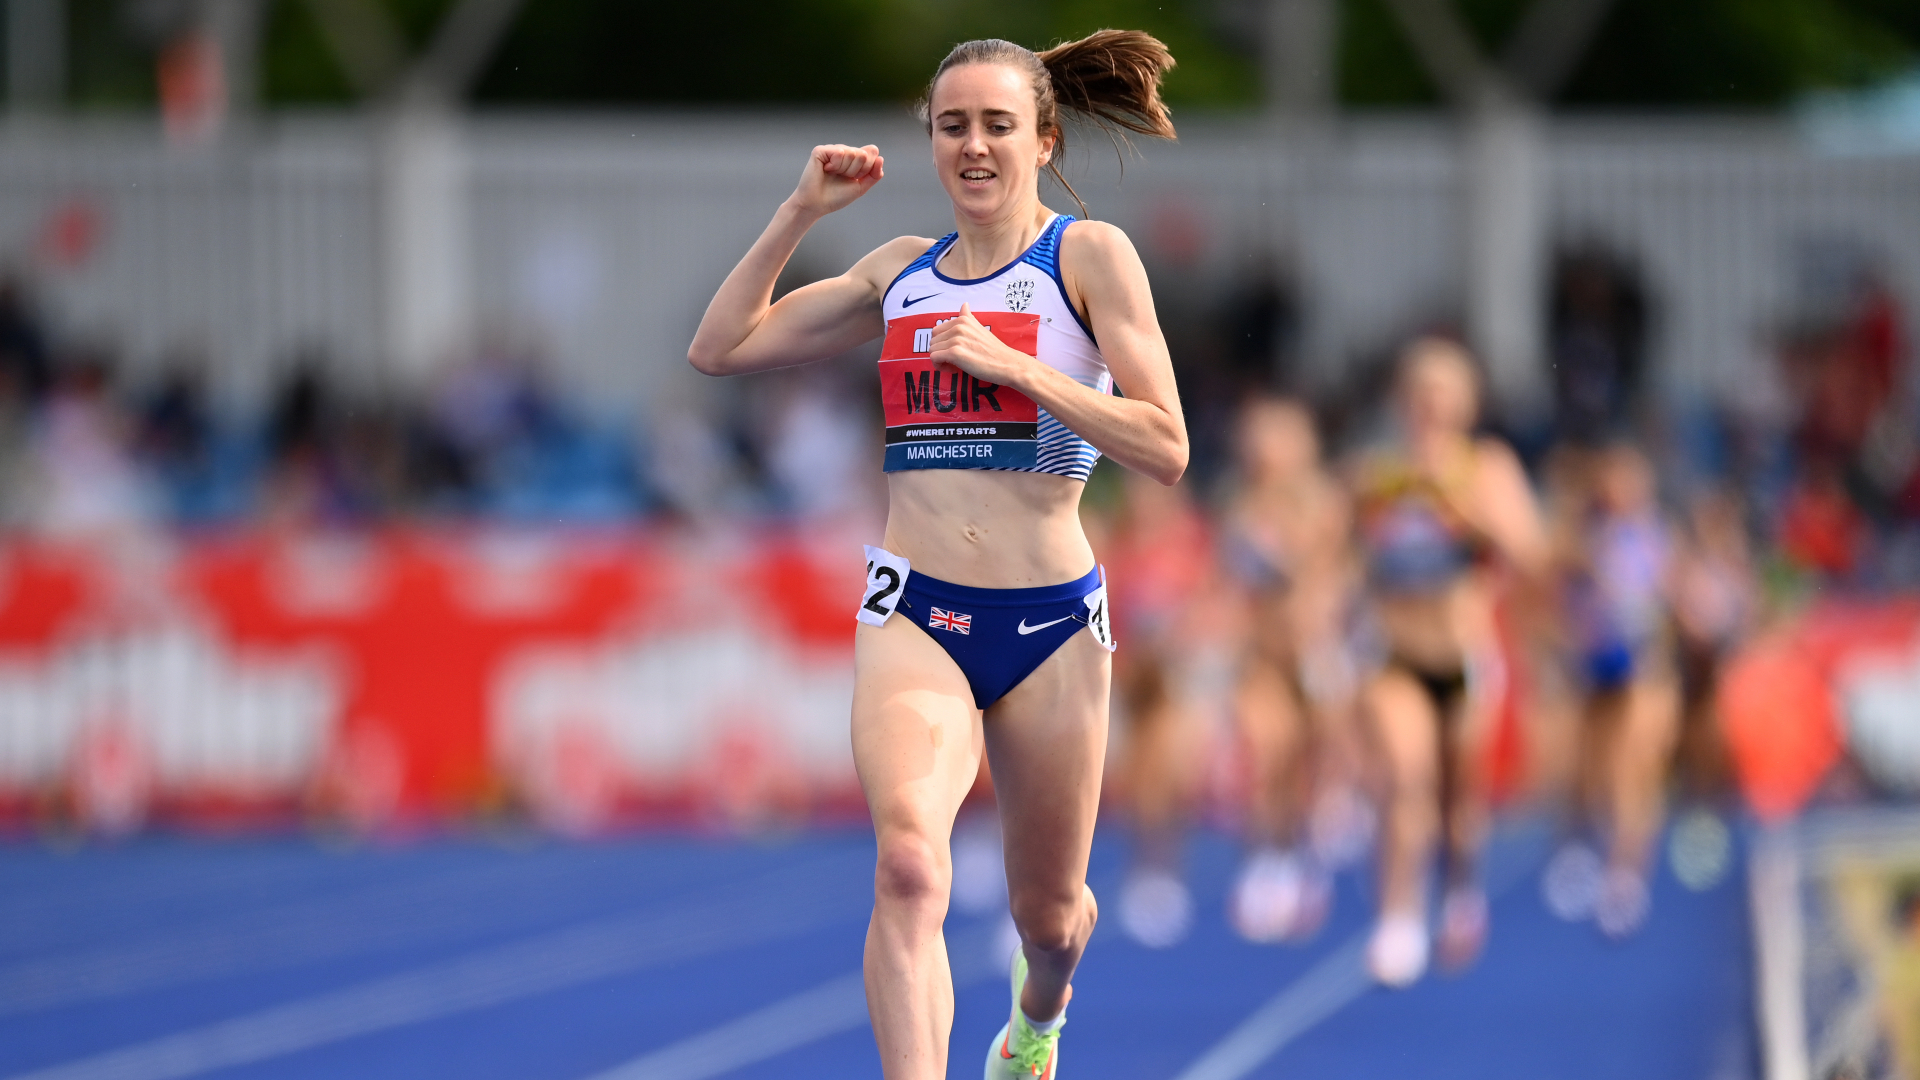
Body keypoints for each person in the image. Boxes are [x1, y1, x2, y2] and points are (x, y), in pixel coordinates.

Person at [687, 31, 1185, 1080]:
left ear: (1042, 139)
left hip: (1049, 626)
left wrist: (1022, 370)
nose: (973, 145)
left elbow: (1167, 445)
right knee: (911, 868)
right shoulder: (899, 272)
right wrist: (801, 213)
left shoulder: (1086, 258)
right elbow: (720, 348)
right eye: (952, 125)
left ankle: (1036, 1025)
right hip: (916, 613)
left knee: (1050, 920)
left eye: (998, 125)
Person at [1349, 338, 1547, 987]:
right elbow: (1341, 551)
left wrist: (1461, 511)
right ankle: (1398, 916)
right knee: (1405, 780)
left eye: (1444, 389)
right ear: (1403, 400)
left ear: (1466, 402)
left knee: (1461, 802)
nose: (1431, 402)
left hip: (1463, 657)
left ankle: (1461, 887)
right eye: (1420, 388)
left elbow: (1529, 556)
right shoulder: (1377, 471)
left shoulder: (1487, 467)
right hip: (1395, 654)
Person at [1221, 397, 1359, 943]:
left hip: (1316, 653)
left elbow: (1331, 573)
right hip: (1262, 656)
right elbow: (1238, 576)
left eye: (1272, 439)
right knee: (1265, 749)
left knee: (1309, 759)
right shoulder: (1242, 503)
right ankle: (1266, 859)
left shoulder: (1324, 500)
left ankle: (1300, 856)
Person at [1541, 443, 1682, 938]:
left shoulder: (1657, 538)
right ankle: (1577, 845)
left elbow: (1672, 601)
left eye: (1629, 482)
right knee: (1583, 767)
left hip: (1642, 665)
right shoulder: (1579, 536)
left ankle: (1625, 877)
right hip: (1592, 665)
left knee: (1631, 770)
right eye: (1611, 482)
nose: (1619, 492)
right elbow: (1552, 595)